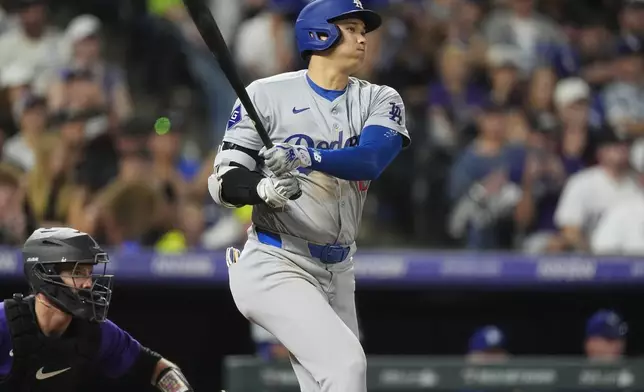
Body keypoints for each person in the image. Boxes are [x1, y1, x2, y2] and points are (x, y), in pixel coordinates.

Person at [210, 1, 410, 390]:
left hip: (339, 268)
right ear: (321, 33)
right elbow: (222, 182)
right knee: (347, 367)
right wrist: (262, 189)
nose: (362, 37)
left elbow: (370, 160)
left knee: (329, 381)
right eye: (351, 28)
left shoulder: (380, 98)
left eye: (362, 30)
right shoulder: (266, 95)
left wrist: (307, 156)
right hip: (276, 260)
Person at [0, 227, 194, 391]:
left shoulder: (93, 331)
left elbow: (156, 367)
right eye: (77, 272)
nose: (87, 284)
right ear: (43, 273)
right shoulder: (4, 322)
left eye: (89, 273)